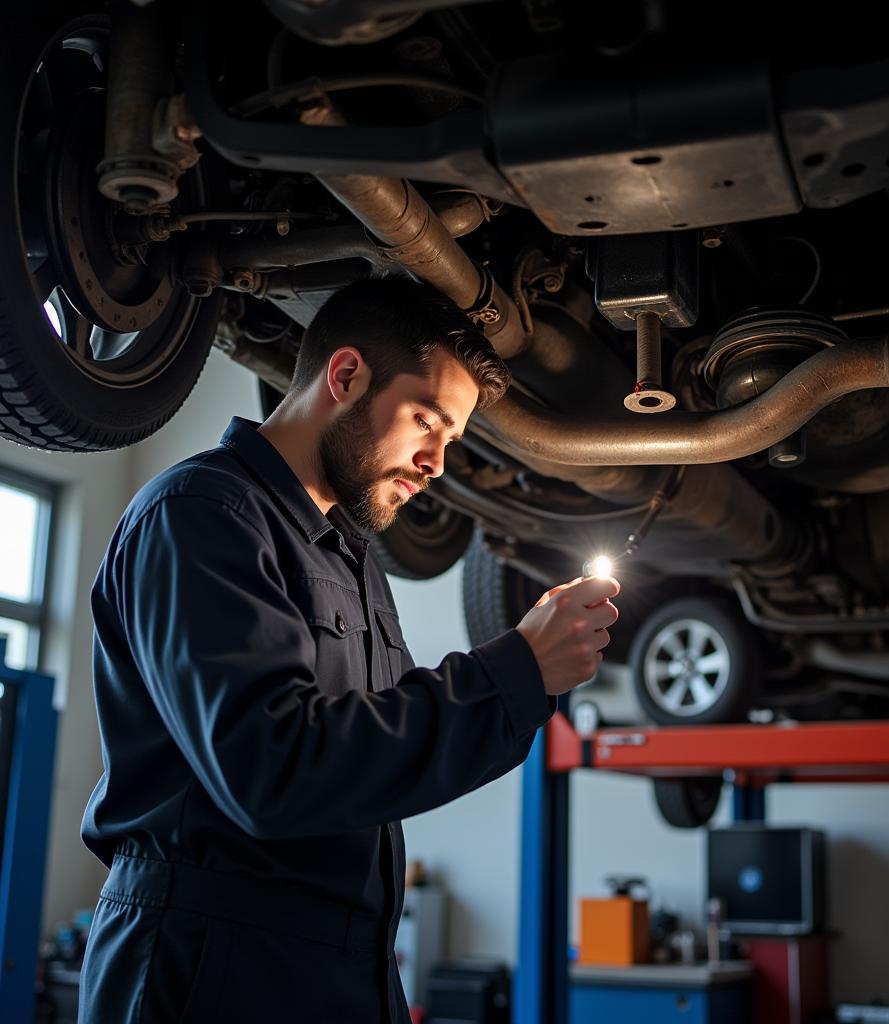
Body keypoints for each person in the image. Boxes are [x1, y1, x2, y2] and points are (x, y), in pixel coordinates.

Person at [78, 277, 619, 1024]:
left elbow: (372, 751)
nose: (436, 462)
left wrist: (528, 676)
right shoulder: (201, 514)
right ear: (345, 375)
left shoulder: (352, 557)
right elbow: (273, 769)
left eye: (451, 440)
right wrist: (515, 671)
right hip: (210, 969)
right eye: (426, 420)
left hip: (340, 968)